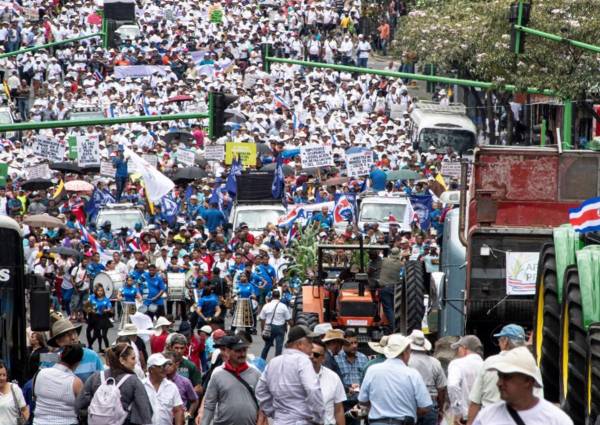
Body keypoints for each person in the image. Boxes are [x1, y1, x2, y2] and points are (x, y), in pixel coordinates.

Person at [472, 347, 573, 425]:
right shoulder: (486, 417)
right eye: (499, 376)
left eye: (507, 377)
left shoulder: (556, 419)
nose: (499, 383)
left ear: (528, 381)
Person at [466, 324, 537, 425]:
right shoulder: (532, 366)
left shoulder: (489, 362)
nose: (499, 344)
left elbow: (475, 402)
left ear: (505, 342)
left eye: (499, 341)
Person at [255, 325, 325, 425]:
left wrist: (273, 412)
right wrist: (319, 418)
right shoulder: (303, 361)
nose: (312, 346)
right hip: (301, 420)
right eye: (309, 342)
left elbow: (260, 390)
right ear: (300, 344)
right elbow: (313, 389)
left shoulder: (273, 362)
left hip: (280, 420)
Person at [358, 334, 432, 424]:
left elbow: (363, 400)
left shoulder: (372, 370)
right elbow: (425, 407)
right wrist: (410, 411)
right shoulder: (412, 374)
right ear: (405, 353)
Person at [75, 343, 154, 425]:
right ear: (122, 360)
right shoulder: (133, 381)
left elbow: (79, 406)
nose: (136, 361)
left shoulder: (95, 377)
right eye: (133, 358)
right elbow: (145, 412)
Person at [199, 335, 263, 425]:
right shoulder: (218, 374)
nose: (242, 354)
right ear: (228, 351)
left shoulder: (255, 373)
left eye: (244, 350)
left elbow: (263, 404)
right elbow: (209, 404)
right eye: (238, 351)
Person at [33, 343, 83, 425]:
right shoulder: (76, 382)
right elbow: (82, 407)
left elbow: (35, 396)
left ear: (60, 356)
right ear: (77, 363)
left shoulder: (41, 373)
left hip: (39, 422)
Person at [42, 318, 104, 383]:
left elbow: (101, 381)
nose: (73, 338)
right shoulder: (48, 357)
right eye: (67, 335)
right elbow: (43, 382)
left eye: (74, 333)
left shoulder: (92, 355)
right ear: (58, 341)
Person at [407, 330, 447, 425]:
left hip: (411, 404)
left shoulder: (406, 361)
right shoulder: (435, 363)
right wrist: (441, 409)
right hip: (430, 404)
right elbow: (441, 389)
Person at [447, 335, 484, 424]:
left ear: (464, 348)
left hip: (463, 418)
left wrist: (457, 412)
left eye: (458, 348)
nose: (457, 352)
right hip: (482, 417)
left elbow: (452, 385)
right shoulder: (486, 365)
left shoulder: (457, 364)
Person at [335, 330, 368, 425]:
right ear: (343, 344)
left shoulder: (363, 358)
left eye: (355, 342)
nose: (354, 346)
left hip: (357, 402)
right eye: (350, 343)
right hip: (342, 403)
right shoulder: (336, 359)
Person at [310, 339, 346, 425]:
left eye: (316, 355)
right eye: (309, 353)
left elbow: (339, 410)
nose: (311, 357)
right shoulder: (294, 376)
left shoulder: (333, 377)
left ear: (323, 359)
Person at [143, 353, 185, 425]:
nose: (164, 369)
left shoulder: (172, 387)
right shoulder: (141, 386)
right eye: (160, 366)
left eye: (165, 365)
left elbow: (178, 410)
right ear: (151, 370)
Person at [163, 351, 199, 420]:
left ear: (176, 364)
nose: (167, 367)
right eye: (164, 365)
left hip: (180, 418)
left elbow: (194, 400)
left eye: (170, 364)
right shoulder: (160, 381)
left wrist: (188, 415)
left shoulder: (185, 382)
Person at [259, 289, 291, 359]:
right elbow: (288, 319)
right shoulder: (283, 306)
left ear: (272, 296)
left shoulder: (266, 306)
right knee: (278, 348)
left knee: (266, 346)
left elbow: (262, 319)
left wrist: (263, 330)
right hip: (280, 328)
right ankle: (276, 364)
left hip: (269, 328)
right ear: (279, 296)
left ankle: (261, 362)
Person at [0, 360, 29, 425]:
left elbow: (25, 410)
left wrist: (23, 422)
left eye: (4, 375)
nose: (2, 378)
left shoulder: (14, 389)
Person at [87, 283, 113, 352]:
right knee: (96, 335)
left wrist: (107, 310)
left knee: (104, 335)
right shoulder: (92, 297)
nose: (100, 292)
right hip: (95, 318)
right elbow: (87, 306)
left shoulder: (106, 299)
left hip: (104, 319)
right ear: (96, 291)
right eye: (98, 290)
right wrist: (90, 310)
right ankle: (90, 346)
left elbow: (110, 307)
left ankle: (108, 349)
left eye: (101, 290)